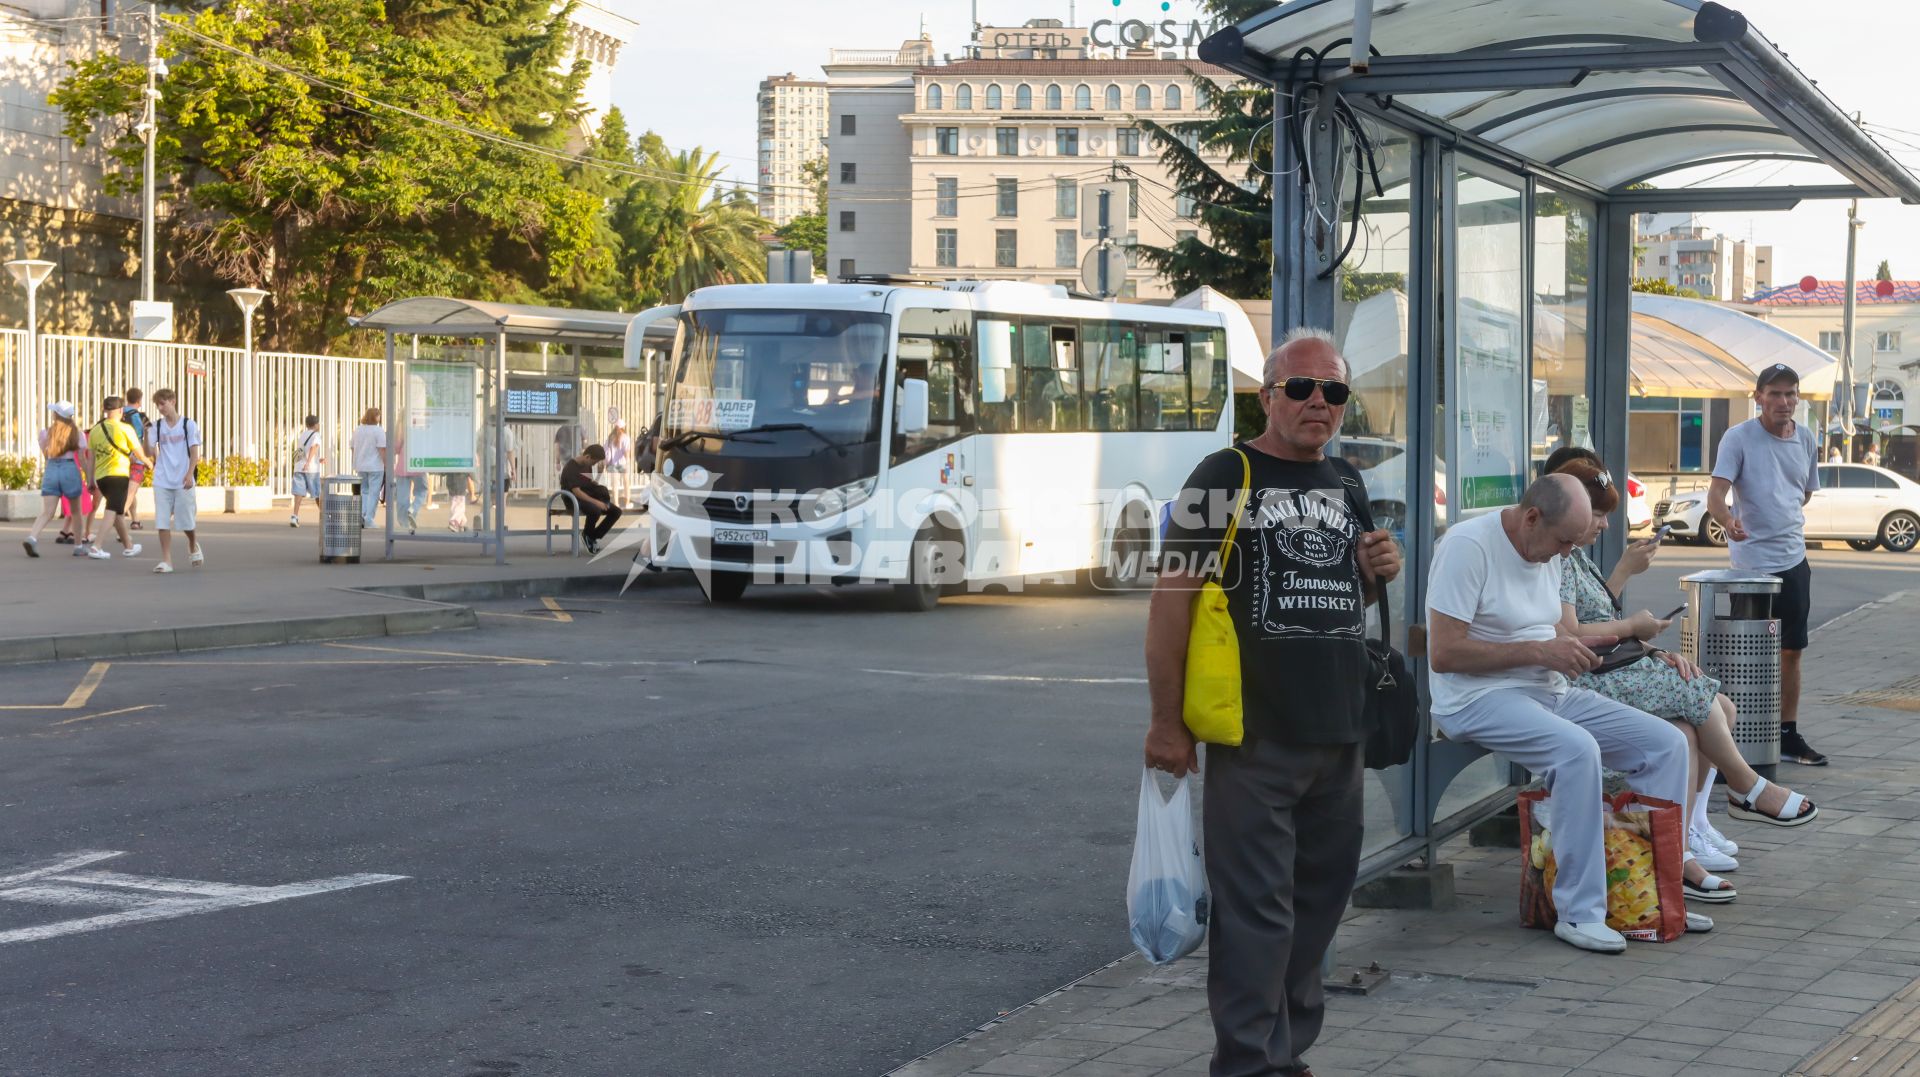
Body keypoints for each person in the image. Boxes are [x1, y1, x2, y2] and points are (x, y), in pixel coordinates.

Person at [1144, 328, 1401, 1077]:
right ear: (1269, 395)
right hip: (1254, 735)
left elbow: (1343, 594)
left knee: (1317, 912)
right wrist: (1166, 723)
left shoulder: (1348, 481)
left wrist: (1376, 571)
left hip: (1339, 734)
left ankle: (1287, 1056)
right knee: (1258, 918)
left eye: (1335, 391)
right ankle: (1248, 1064)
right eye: (1301, 387)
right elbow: (1172, 601)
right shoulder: (1225, 472)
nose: (1318, 402)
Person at [1426, 473, 1697, 953]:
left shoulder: (1547, 549)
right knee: (1576, 751)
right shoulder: (1468, 547)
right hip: (1475, 697)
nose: (1567, 553)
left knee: (1666, 744)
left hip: (1545, 687)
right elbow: (1444, 654)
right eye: (1563, 541)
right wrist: (1540, 652)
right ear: (1532, 517)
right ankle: (1581, 911)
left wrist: (1581, 645)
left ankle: (1652, 895)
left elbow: (1550, 628)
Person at [1550, 459, 1815, 875]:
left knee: (1706, 706)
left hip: (1608, 668)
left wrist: (1646, 644)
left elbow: (1597, 619)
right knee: (1698, 703)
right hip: (1590, 676)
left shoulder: (1573, 557)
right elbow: (1572, 631)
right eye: (1596, 514)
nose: (1600, 524)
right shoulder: (1560, 558)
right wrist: (1632, 625)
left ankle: (1689, 833)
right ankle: (1741, 790)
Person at [1708, 363, 1825, 765]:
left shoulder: (1807, 438)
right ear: (1757, 397)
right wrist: (1728, 520)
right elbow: (1716, 494)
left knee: (1792, 650)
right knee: (1746, 651)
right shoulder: (1738, 438)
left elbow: (1804, 494)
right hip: (1751, 567)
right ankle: (1733, 735)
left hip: (1794, 560)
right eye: (1774, 393)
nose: (1784, 401)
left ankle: (1787, 733)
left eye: (1791, 393)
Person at [85, 395, 152, 560]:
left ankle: (128, 546)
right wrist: (149, 463)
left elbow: (91, 458)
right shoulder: (125, 428)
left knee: (118, 511)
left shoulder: (95, 430)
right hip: (118, 474)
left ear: (105, 410)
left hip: (101, 477)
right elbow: (138, 452)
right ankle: (97, 546)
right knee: (112, 510)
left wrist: (90, 479)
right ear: (121, 410)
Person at [22, 402, 91, 558]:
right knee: (76, 511)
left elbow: (46, 455)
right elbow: (82, 458)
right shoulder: (78, 434)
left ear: (56, 415)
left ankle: (32, 537)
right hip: (70, 469)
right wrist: (90, 478)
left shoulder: (45, 433)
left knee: (47, 512)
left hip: (52, 469)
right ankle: (78, 546)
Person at [147, 388, 204, 573]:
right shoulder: (156, 426)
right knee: (162, 521)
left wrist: (189, 473)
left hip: (182, 480)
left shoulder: (188, 425)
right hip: (162, 479)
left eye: (163, 403)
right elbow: (149, 452)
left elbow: (195, 452)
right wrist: (146, 433)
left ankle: (193, 543)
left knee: (186, 522)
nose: (161, 408)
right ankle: (166, 561)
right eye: (158, 405)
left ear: (173, 401)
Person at [559, 444, 621, 553]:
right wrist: (597, 502)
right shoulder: (571, 467)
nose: (594, 464)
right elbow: (577, 491)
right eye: (594, 462)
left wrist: (599, 474)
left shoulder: (587, 465)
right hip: (573, 499)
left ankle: (591, 536)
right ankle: (588, 535)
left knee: (616, 511)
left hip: (586, 495)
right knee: (595, 510)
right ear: (587, 457)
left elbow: (590, 484)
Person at [351, 408, 387, 528]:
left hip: (361, 465)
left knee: (364, 491)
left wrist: (355, 461)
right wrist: (386, 464)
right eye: (378, 416)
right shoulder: (378, 431)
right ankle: (369, 519)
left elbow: (352, 447)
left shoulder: (358, 430)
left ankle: (362, 515)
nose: (379, 418)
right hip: (375, 466)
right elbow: (382, 449)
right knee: (374, 493)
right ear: (375, 417)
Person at [121, 387, 149, 531]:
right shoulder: (141, 417)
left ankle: (135, 520)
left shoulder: (118, 414)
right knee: (131, 491)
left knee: (129, 491)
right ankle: (120, 521)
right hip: (137, 457)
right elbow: (146, 438)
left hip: (120, 457)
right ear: (139, 400)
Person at [290, 415, 323, 527]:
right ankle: (325, 516)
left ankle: (295, 516)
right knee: (317, 493)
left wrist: (316, 459)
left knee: (298, 493)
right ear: (316, 424)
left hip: (299, 467)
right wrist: (309, 462)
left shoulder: (302, 435)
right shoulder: (316, 435)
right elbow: (314, 447)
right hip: (311, 469)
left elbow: (301, 452)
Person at [605, 419, 634, 510]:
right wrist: (628, 463)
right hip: (623, 464)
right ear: (623, 427)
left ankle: (616, 504)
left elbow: (605, 450)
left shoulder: (610, 437)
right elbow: (627, 452)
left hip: (612, 464)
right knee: (626, 483)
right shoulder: (626, 437)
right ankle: (627, 503)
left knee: (615, 484)